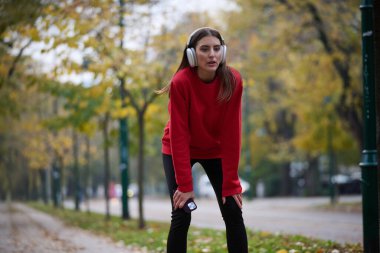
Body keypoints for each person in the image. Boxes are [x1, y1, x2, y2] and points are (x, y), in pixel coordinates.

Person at [157, 27, 248, 253]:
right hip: (178, 149)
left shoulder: (233, 80)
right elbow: (179, 135)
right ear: (192, 54)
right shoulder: (181, 83)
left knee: (233, 211)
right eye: (205, 49)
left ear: (223, 52)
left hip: (215, 150)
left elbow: (232, 134)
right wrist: (186, 187)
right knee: (181, 214)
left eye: (217, 49)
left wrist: (231, 182)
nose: (212, 55)